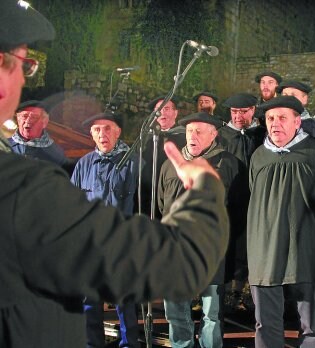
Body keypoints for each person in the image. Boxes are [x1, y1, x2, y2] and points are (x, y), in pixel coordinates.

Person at [0, 2, 228, 346]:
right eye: (22, 64)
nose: (21, 76)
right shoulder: (18, 187)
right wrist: (204, 189)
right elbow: (177, 263)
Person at [247, 96, 315, 348]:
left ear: (297, 121)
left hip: (306, 247)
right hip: (264, 250)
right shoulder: (258, 156)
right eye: (270, 118)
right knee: (266, 323)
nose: (275, 123)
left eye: (282, 118)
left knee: (312, 325)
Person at [158, 112, 241, 348]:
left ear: (214, 134)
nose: (192, 136)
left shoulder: (228, 164)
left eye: (199, 131)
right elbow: (161, 205)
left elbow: (237, 206)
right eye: (189, 131)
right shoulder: (168, 166)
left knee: (211, 313)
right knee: (175, 309)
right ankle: (182, 344)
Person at [71, 112, 139, 348]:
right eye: (97, 130)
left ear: (118, 132)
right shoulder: (84, 164)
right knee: (90, 299)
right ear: (91, 134)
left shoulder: (132, 162)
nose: (102, 134)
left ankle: (129, 343)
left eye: (107, 128)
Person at [219, 92, 265, 310]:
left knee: (249, 247)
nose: (238, 116)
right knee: (227, 245)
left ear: (253, 110)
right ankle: (227, 291)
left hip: (256, 201)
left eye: (243, 111)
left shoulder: (262, 134)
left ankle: (243, 290)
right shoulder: (222, 135)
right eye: (234, 112)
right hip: (228, 201)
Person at [139, 96, 187, 218]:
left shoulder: (185, 137)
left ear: (175, 113)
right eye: (158, 109)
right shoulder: (145, 138)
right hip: (147, 192)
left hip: (173, 193)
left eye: (166, 108)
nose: (161, 112)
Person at [9, 99, 67, 165]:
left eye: (34, 117)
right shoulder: (4, 147)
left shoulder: (56, 153)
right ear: (18, 119)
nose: (28, 121)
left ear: (44, 122)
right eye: (24, 116)